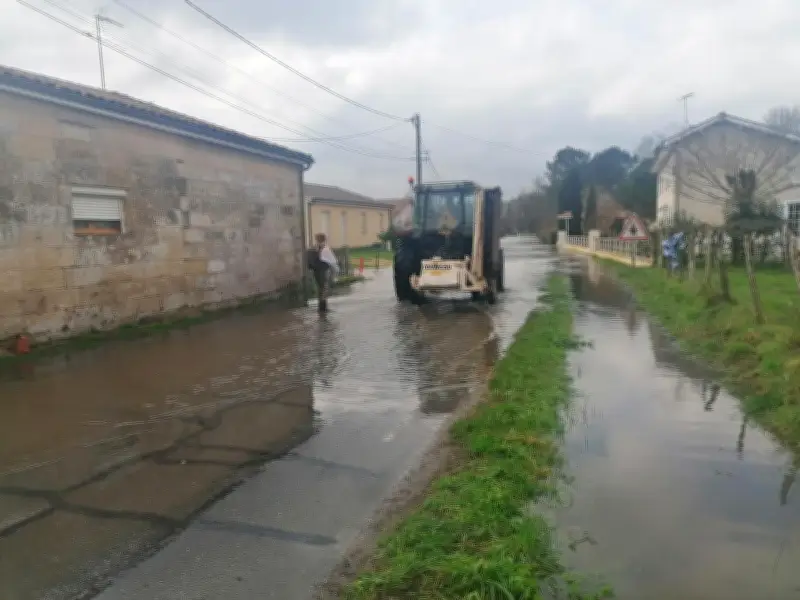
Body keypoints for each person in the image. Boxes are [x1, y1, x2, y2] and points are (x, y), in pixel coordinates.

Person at [309, 233, 339, 313]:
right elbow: (333, 261)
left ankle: (321, 307)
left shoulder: (313, 248)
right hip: (324, 270)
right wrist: (335, 273)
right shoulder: (325, 249)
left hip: (316, 271)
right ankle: (323, 307)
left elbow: (310, 260)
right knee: (324, 288)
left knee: (320, 288)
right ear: (324, 239)